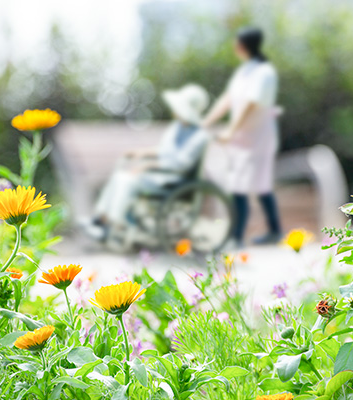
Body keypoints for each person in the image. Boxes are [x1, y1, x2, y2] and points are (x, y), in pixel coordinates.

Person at [88, 84, 210, 240]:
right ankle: (101, 218)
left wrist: (149, 166)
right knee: (120, 175)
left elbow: (181, 164)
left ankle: (113, 225)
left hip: (172, 180)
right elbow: (164, 151)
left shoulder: (199, 137)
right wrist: (141, 153)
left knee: (127, 181)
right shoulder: (177, 128)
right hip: (159, 174)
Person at [202, 27, 282, 246]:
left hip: (259, 136)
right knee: (245, 184)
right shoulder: (245, 71)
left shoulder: (264, 72)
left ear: (244, 45)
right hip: (243, 137)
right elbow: (227, 99)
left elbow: (251, 104)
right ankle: (263, 232)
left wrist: (231, 130)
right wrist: (206, 122)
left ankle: (240, 236)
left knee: (253, 184)